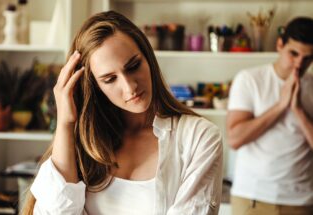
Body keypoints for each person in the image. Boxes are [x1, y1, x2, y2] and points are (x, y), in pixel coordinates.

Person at [22, 11, 223, 215]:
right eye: (110, 79)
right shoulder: (84, 144)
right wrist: (65, 123)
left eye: (134, 66)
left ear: (148, 57)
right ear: (93, 86)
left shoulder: (198, 138)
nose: (130, 87)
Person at [227, 17, 313, 215]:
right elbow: (235, 138)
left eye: (308, 58)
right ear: (280, 45)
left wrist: (298, 110)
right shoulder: (249, 80)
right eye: (294, 53)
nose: (299, 63)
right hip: (252, 198)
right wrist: (281, 105)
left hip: (300, 201)